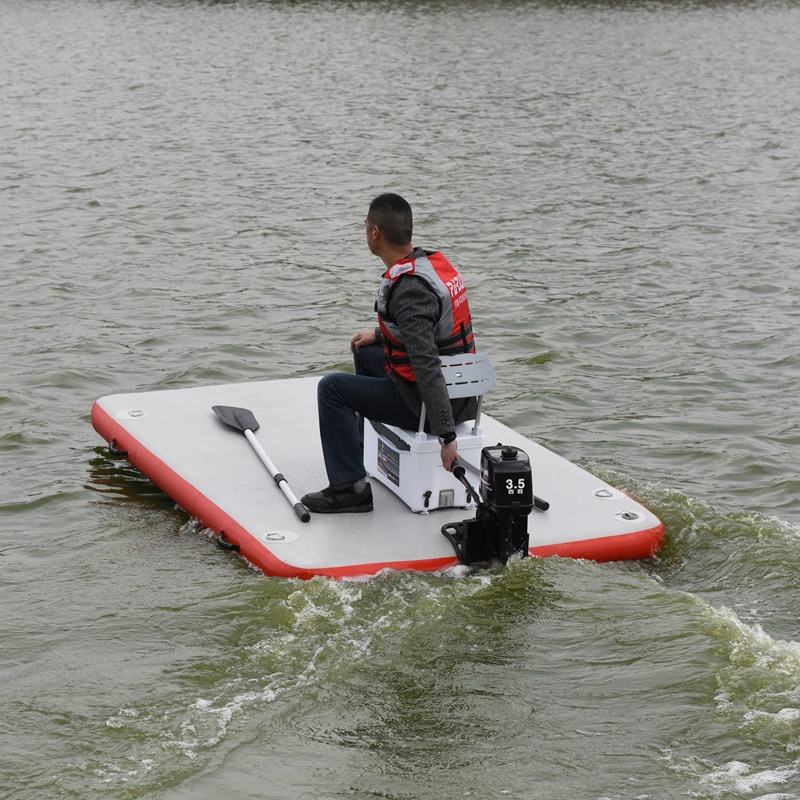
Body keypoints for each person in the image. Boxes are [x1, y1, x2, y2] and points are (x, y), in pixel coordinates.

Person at [301, 193, 477, 513]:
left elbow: (425, 365)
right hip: (464, 392)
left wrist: (447, 436)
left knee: (332, 389)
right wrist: (380, 335)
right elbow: (430, 329)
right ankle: (362, 455)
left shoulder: (408, 289)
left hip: (426, 405)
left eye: (366, 225)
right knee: (365, 353)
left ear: (375, 233)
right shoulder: (430, 265)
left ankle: (349, 489)